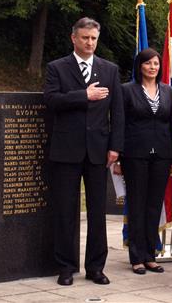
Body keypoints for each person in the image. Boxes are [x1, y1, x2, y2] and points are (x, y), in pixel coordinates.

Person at [44, 17, 124, 286]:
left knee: (97, 213)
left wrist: (115, 147)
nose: (90, 43)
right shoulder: (57, 68)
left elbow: (118, 113)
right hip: (65, 151)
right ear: (74, 38)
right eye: (85, 38)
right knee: (65, 211)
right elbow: (52, 101)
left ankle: (95, 267)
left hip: (98, 152)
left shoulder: (109, 69)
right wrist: (83, 95)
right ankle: (66, 267)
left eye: (94, 38)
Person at [114, 48, 172, 275]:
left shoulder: (169, 91)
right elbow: (120, 124)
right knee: (137, 205)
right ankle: (136, 258)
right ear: (139, 66)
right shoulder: (126, 91)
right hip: (135, 155)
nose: (153, 67)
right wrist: (119, 157)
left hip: (162, 156)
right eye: (148, 63)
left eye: (156, 64)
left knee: (154, 206)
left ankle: (150, 255)